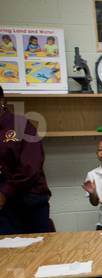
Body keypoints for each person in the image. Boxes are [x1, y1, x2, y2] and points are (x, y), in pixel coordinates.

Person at [0, 87, 51, 234]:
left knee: (37, 249)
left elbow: (31, 165)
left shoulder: (20, 124)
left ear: (2, 100)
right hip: (3, 204)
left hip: (28, 197)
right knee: (7, 253)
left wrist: (5, 192)